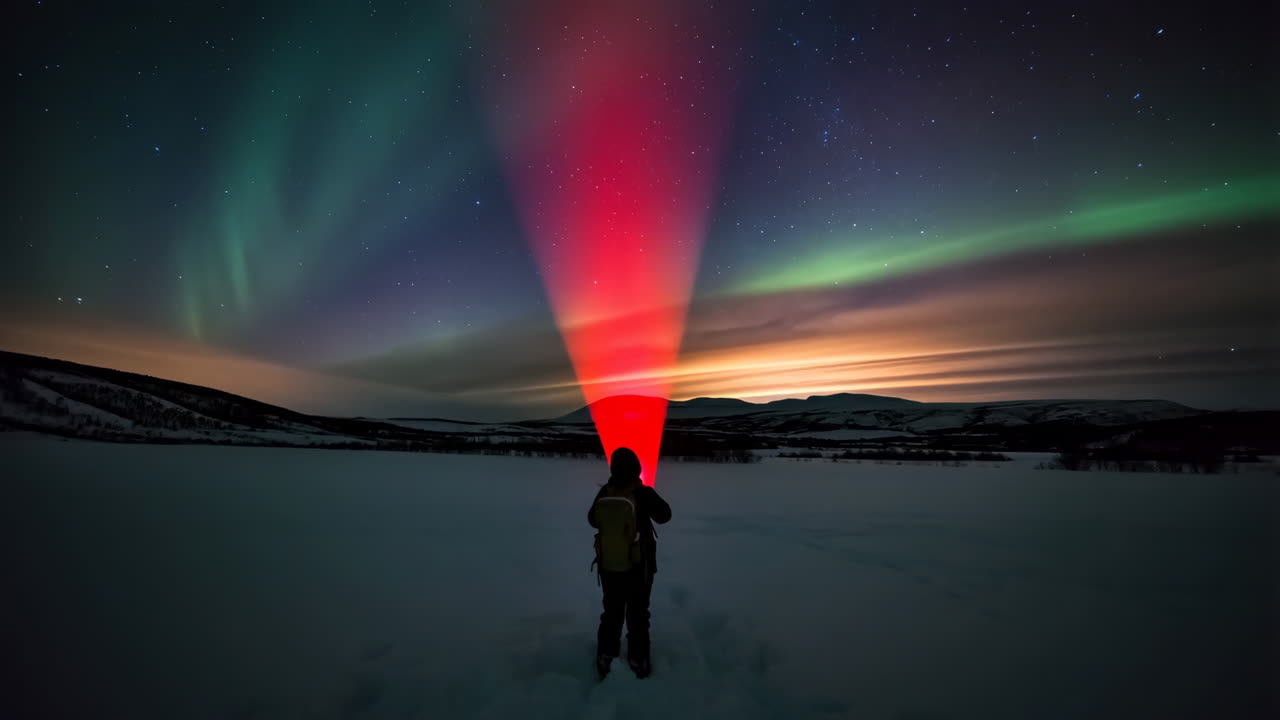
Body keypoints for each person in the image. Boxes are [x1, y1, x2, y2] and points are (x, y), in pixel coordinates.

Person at [588, 447, 671, 679]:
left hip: (609, 566)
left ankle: (606, 656)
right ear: (636, 468)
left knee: (611, 611)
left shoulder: (606, 491)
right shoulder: (642, 492)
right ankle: (638, 658)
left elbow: (592, 520)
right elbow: (665, 515)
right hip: (639, 566)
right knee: (638, 613)